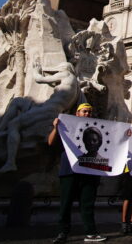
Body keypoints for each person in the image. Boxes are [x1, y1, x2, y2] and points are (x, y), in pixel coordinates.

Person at [48, 103, 106, 243]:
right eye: (84, 111)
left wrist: (125, 135)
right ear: (77, 113)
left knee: (87, 204)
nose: (87, 114)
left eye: (89, 112)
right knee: (66, 203)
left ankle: (90, 233)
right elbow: (50, 142)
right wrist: (56, 128)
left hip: (90, 171)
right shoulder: (67, 127)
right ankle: (62, 232)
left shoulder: (98, 128)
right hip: (70, 170)